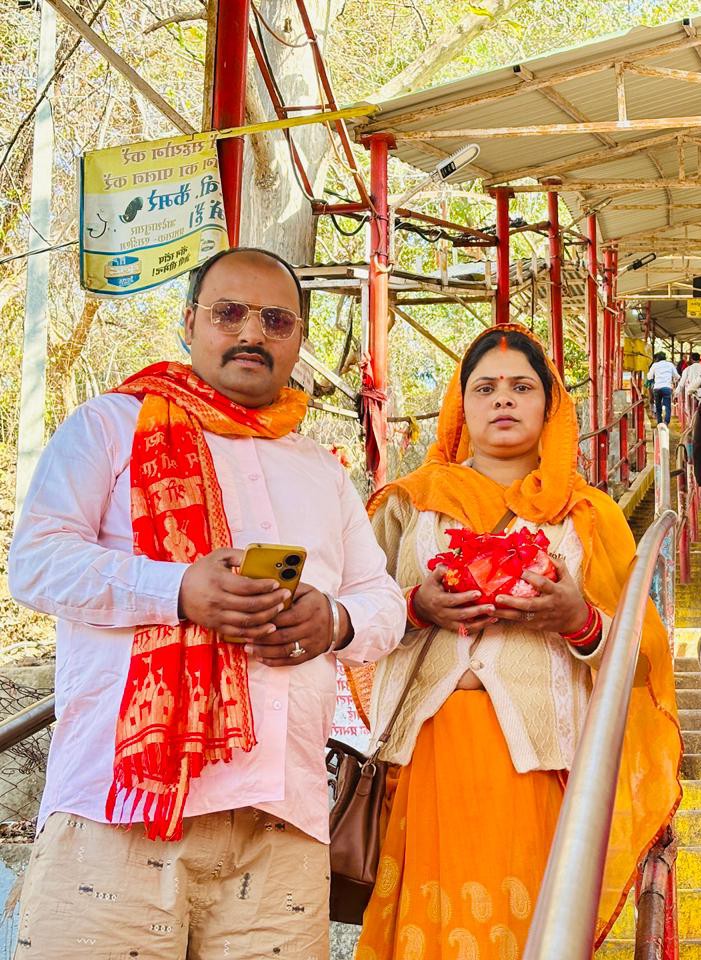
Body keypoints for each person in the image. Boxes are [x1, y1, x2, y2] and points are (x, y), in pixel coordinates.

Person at [8, 247, 405, 960]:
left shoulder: (318, 468)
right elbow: (36, 564)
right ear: (190, 323)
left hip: (279, 821)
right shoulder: (108, 427)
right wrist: (177, 588)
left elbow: (380, 599)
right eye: (229, 313)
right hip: (119, 809)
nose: (252, 332)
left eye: (275, 319)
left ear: (298, 339)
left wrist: (334, 621)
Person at [351, 324, 681, 959]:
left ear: (549, 406)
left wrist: (576, 618)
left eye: (522, 387)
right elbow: (354, 618)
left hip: (539, 762)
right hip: (427, 758)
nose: (503, 399)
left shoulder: (588, 516)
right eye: (486, 388)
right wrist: (417, 608)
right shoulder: (408, 506)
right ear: (462, 405)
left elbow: (642, 658)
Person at [647, 351, 679, 425]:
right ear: (665, 358)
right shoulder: (670, 364)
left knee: (658, 406)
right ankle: (666, 422)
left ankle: (659, 422)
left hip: (657, 388)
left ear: (658, 358)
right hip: (667, 388)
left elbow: (649, 377)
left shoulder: (655, 365)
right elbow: (677, 376)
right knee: (668, 406)